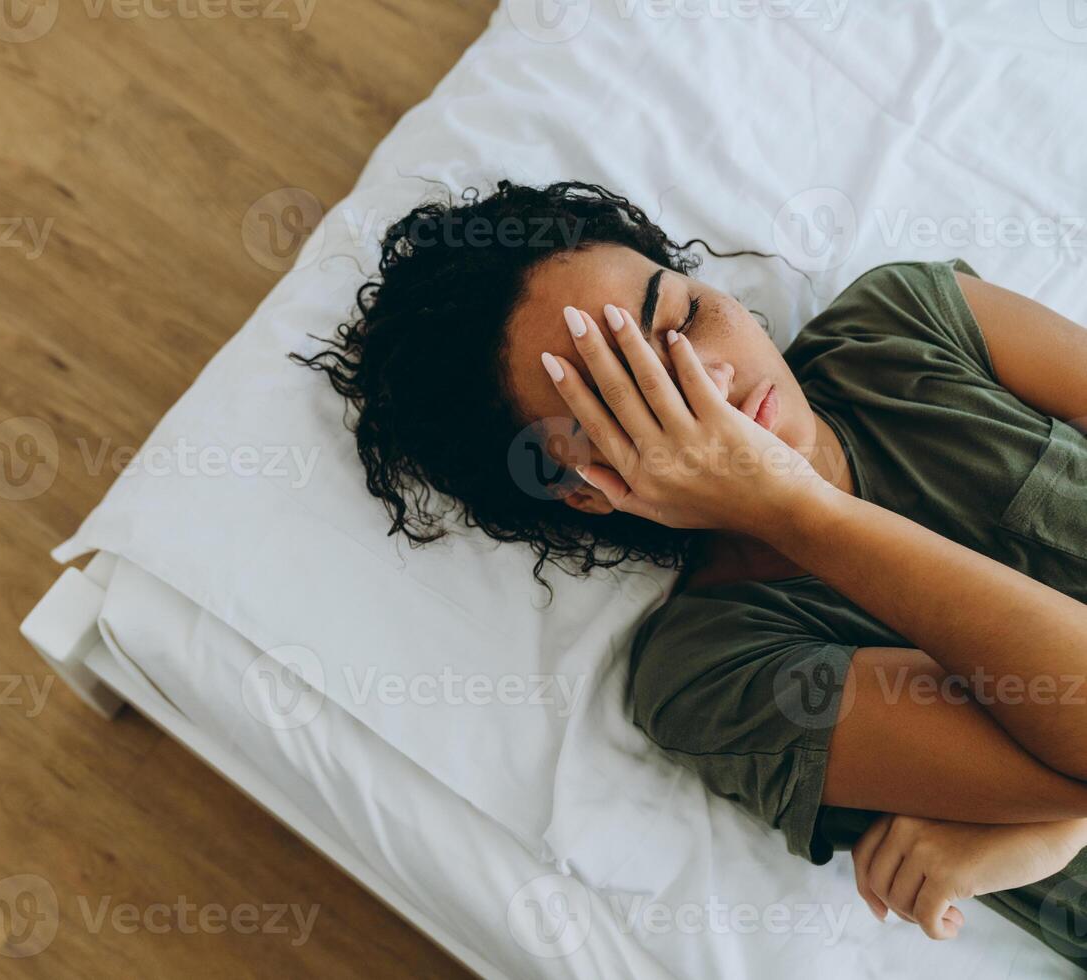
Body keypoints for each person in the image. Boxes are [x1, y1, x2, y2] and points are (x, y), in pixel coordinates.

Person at [293, 180, 1087, 963]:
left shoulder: (908, 320)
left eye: (682, 318)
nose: (705, 383)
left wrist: (1053, 825)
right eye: (627, 398)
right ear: (584, 490)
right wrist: (791, 509)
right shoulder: (710, 672)